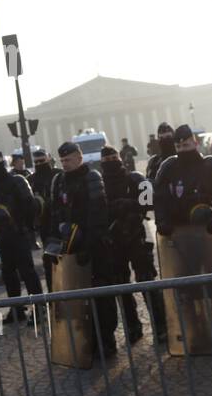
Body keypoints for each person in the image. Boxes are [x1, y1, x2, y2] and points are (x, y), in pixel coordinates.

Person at [45, 142, 114, 356]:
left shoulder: (92, 178)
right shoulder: (59, 181)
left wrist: (89, 245)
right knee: (76, 300)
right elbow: (55, 213)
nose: (65, 164)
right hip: (70, 249)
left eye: (68, 160)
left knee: (102, 296)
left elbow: (99, 215)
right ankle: (84, 340)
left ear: (79, 158)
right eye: (62, 160)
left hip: (94, 249)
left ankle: (107, 341)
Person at [100, 146, 161, 344]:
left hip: (138, 236)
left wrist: (129, 205)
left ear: (120, 158)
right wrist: (112, 210)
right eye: (107, 158)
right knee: (121, 286)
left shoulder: (134, 178)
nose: (111, 161)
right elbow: (95, 211)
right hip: (114, 241)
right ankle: (132, 327)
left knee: (147, 281)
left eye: (113, 157)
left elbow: (150, 202)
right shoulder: (99, 183)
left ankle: (161, 327)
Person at [153, 124, 212, 244]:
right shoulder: (169, 168)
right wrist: (162, 221)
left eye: (186, 145)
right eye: (178, 146)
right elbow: (160, 197)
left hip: (209, 227)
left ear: (195, 144)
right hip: (179, 229)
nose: (182, 149)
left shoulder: (211, 165)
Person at [0, 149, 42, 313]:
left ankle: (39, 307)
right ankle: (16, 308)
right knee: (8, 274)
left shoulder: (17, 181)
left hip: (19, 233)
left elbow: (30, 206)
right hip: (4, 236)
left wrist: (27, 228)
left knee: (27, 272)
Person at [29, 147, 60, 290]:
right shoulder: (31, 180)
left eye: (42, 161)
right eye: (36, 162)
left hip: (62, 223)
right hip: (44, 227)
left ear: (48, 159)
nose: (39, 164)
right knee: (49, 262)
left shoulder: (58, 175)